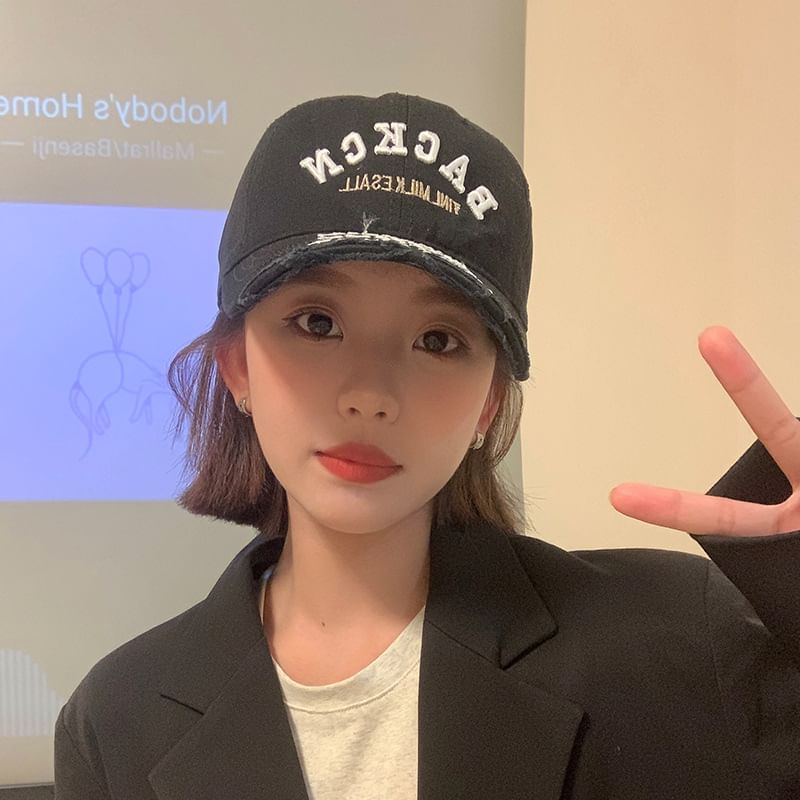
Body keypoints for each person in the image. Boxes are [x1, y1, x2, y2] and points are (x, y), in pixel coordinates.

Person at [53, 92, 799, 799]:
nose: (370, 394)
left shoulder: (675, 642)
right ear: (237, 366)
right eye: (317, 323)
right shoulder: (117, 722)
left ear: (490, 402)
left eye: (438, 340)